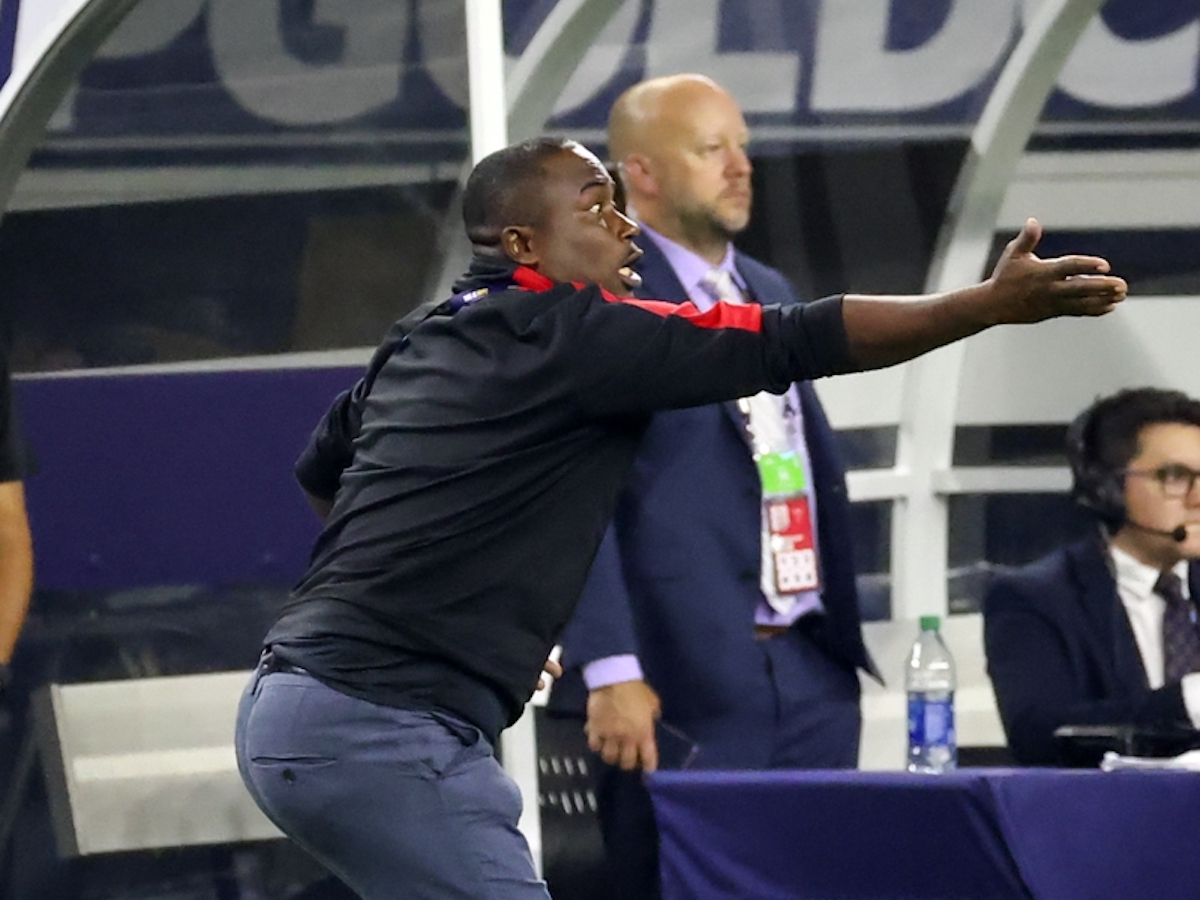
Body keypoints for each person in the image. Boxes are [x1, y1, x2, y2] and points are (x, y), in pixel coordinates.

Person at [234, 134, 1125, 900]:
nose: (623, 228)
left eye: (620, 207)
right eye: (595, 208)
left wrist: (458, 598)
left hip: (294, 709)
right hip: (383, 726)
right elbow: (798, 337)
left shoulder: (424, 333)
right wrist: (986, 306)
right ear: (521, 241)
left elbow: (326, 473)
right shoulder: (581, 333)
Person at [548, 72, 874, 900]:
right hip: (679, 683)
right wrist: (609, 668)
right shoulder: (597, 303)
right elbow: (570, 499)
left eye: (742, 146)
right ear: (641, 174)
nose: (740, 167)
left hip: (811, 671)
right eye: (710, 149)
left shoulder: (770, 291)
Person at [984, 387, 1200, 766]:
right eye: (1175, 476)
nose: (1198, 497)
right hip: (1106, 816)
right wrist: (1189, 702)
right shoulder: (1033, 599)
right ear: (1107, 488)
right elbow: (1038, 735)